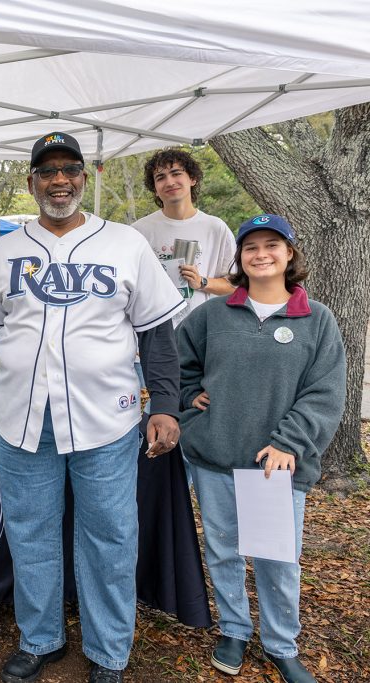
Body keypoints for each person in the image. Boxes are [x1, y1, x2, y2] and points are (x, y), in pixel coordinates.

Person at [0, 131, 185, 683]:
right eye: (47, 171)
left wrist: (165, 405)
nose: (58, 179)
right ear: (33, 180)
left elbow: (158, 333)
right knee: (31, 532)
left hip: (105, 417)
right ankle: (40, 638)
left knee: (110, 536)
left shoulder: (124, 244)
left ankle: (108, 651)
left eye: (69, 169)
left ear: (83, 178)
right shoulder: (4, 249)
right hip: (22, 417)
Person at [177, 214, 344, 683]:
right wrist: (190, 398)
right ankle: (233, 628)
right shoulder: (212, 314)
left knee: (275, 556)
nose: (262, 254)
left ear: (290, 254)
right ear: (241, 258)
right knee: (224, 549)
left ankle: (280, 642)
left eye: (273, 245)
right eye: (251, 247)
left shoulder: (317, 318)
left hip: (275, 465)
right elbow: (177, 362)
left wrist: (289, 442)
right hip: (216, 455)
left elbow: (325, 391)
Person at [133, 148, 236, 327]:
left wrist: (202, 282)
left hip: (201, 330)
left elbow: (234, 286)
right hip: (154, 331)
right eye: (161, 177)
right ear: (155, 189)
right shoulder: (139, 231)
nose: (170, 182)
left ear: (192, 179)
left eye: (176, 173)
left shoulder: (215, 227)